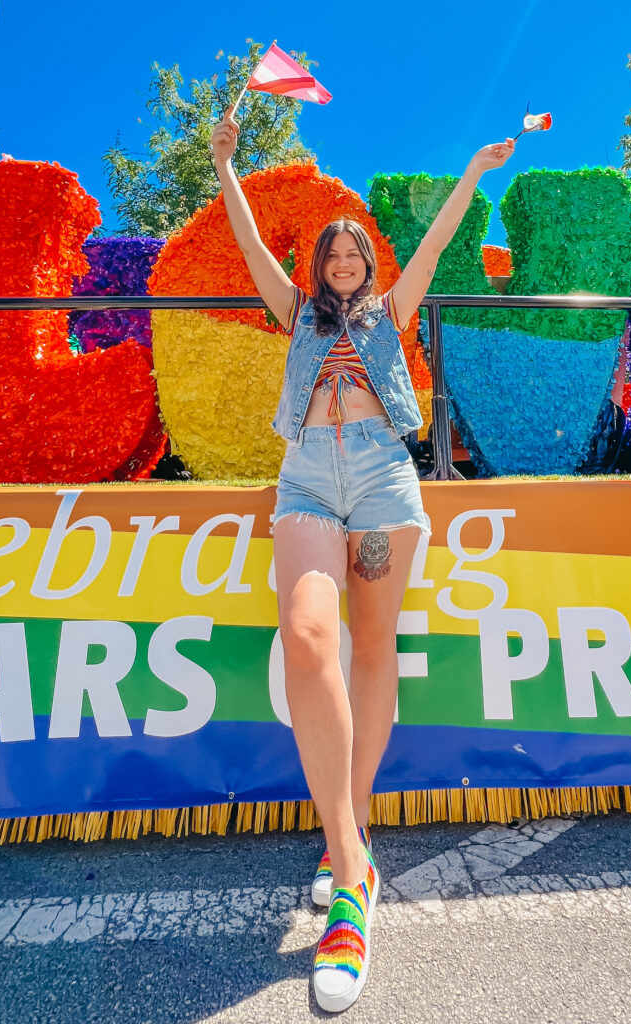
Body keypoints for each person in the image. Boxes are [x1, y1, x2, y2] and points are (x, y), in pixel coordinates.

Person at [211, 111, 514, 1012]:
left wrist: (470, 169)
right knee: (308, 638)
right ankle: (353, 878)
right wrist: (226, 167)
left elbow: (438, 238)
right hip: (306, 478)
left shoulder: (391, 314)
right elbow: (250, 240)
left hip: (384, 479)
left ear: (369, 266)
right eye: (331, 255)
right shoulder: (297, 315)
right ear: (318, 270)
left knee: (372, 649)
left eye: (355, 254)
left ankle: (352, 832)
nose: (343, 262)